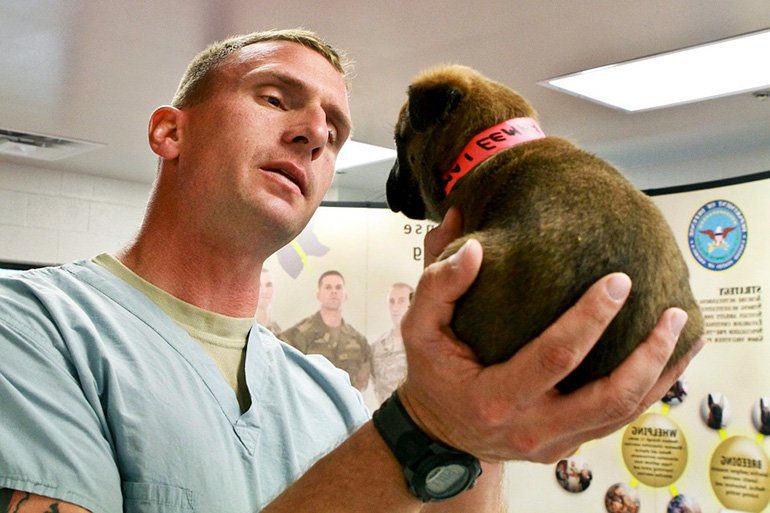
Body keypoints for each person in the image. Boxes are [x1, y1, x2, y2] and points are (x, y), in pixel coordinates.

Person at [0, 28, 703, 513]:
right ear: (169, 131)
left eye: (335, 132)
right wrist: (426, 426)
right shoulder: (31, 328)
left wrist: (481, 402)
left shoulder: (328, 396)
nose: (314, 133)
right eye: (274, 98)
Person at [279, 270, 371, 391]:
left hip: (346, 402)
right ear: (318, 295)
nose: (334, 291)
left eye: (338, 287)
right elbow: (283, 371)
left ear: (345, 295)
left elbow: (362, 382)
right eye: (328, 287)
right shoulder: (298, 334)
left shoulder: (359, 341)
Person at [371, 282, 413, 403]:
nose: (395, 308)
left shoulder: (423, 345)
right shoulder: (377, 347)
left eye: (401, 301)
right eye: (391, 301)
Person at [256, 267, 282, 334]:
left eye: (269, 285)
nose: (264, 291)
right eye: (259, 285)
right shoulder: (245, 327)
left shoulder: (277, 329)